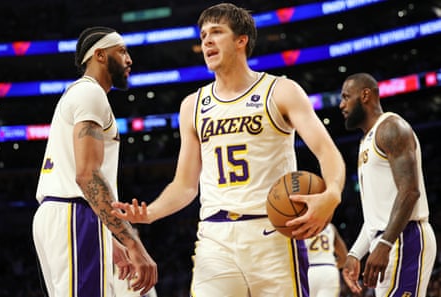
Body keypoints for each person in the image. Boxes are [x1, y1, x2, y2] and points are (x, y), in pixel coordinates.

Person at [112, 3, 345, 297]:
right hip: (215, 236)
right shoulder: (192, 106)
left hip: (272, 232)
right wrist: (150, 214)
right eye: (203, 35)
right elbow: (185, 185)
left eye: (217, 32)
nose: (206, 40)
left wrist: (333, 193)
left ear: (241, 40)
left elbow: (327, 151)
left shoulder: (281, 91)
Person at [32, 26, 157, 297]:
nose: (129, 59)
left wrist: (110, 241)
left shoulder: (78, 94)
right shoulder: (91, 93)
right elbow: (87, 175)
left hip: (64, 215)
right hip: (74, 214)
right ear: (99, 55)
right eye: (122, 51)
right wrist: (133, 242)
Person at [339, 73, 436, 296]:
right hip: (390, 239)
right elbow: (376, 215)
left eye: (346, 97)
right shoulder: (367, 140)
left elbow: (410, 191)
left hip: (404, 237)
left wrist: (385, 243)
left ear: (365, 95)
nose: (342, 105)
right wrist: (355, 253)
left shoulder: (392, 128)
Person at [305, 223, 348, 297]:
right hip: (329, 269)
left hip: (308, 270)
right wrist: (330, 266)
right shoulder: (330, 226)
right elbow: (344, 257)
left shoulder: (298, 225)